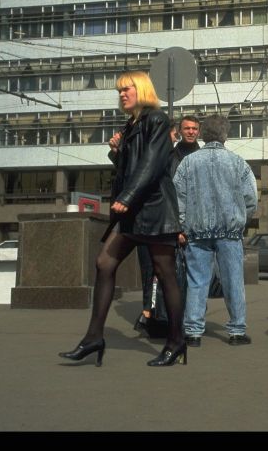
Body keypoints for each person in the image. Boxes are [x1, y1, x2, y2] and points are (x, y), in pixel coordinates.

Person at [59, 71, 186, 368]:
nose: (122, 94)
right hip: (134, 210)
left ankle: (177, 341)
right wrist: (117, 152)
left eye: (126, 89)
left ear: (141, 90)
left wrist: (127, 198)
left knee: (165, 272)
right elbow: (130, 167)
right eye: (119, 91)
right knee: (105, 263)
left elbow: (152, 165)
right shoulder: (132, 125)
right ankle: (93, 338)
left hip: (154, 209)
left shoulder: (156, 120)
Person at [173, 114, 257, 348]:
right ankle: (237, 331)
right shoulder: (238, 162)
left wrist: (183, 224)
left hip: (196, 231)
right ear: (225, 135)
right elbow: (251, 198)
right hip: (229, 232)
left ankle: (193, 332)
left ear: (202, 134)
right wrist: (240, 218)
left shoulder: (188, 163)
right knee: (233, 281)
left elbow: (179, 197)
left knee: (197, 281)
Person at [133, 115, 201, 335]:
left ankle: (187, 319)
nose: (190, 131)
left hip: (191, 223)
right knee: (157, 271)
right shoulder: (171, 155)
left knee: (190, 275)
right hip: (167, 220)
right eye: (186, 128)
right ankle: (153, 314)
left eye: (194, 128)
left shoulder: (202, 157)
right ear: (180, 131)